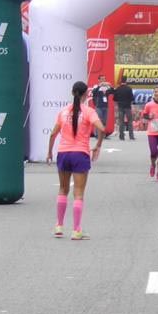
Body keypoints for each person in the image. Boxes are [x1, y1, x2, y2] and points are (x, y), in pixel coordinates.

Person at [46, 81, 106, 240]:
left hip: (63, 153)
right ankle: (76, 229)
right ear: (87, 94)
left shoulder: (63, 111)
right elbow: (102, 128)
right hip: (80, 153)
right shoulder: (88, 111)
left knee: (63, 189)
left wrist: (49, 152)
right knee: (78, 193)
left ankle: (59, 226)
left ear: (72, 93)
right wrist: (98, 145)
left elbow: (53, 134)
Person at [113, 76, 135, 141]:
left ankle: (121, 137)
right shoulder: (129, 89)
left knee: (121, 122)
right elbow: (132, 98)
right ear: (126, 81)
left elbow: (114, 99)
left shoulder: (118, 89)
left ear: (121, 81)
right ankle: (131, 137)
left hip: (120, 107)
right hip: (128, 107)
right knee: (130, 122)